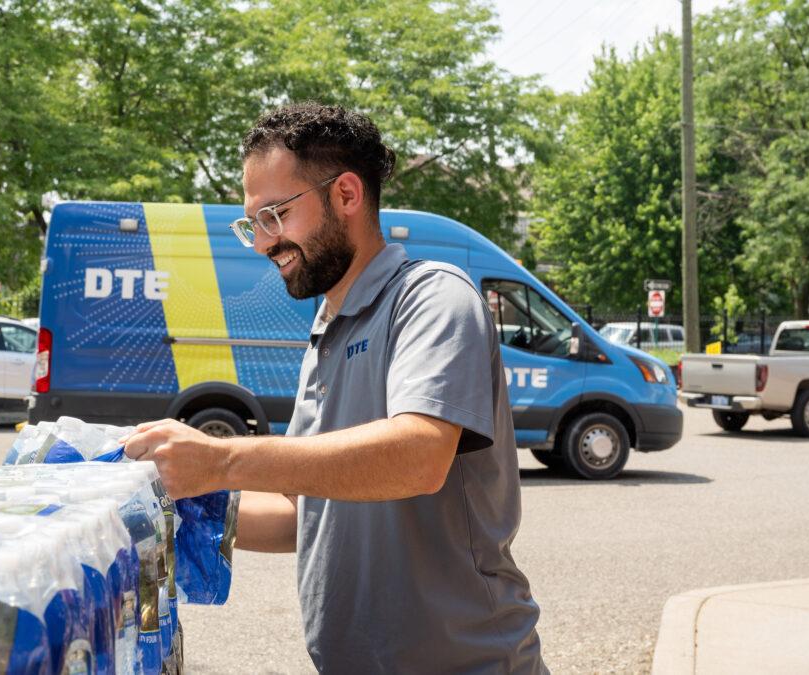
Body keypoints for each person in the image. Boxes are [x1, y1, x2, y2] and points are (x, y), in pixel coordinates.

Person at [123, 102, 546, 673]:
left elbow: (419, 455)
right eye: (253, 223)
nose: (261, 243)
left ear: (346, 195)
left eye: (273, 215)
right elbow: (307, 512)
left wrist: (223, 460)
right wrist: (164, 507)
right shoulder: (327, 327)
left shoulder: (431, 298)